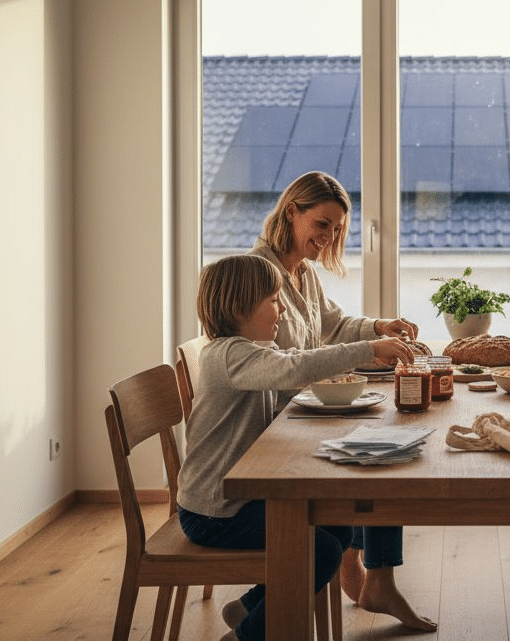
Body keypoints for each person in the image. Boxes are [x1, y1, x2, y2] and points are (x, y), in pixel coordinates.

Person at [175, 254, 416, 641]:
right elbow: (293, 368)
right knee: (319, 550)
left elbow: (291, 360)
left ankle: (251, 606)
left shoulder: (246, 351)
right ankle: (247, 635)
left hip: (233, 500)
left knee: (339, 525)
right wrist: (367, 348)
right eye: (273, 300)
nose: (283, 309)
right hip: (216, 512)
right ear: (239, 307)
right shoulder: (228, 355)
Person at [250, 170, 437, 632]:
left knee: (386, 443)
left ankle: (373, 576)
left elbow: (332, 324)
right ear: (291, 211)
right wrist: (369, 348)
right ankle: (364, 573)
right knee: (380, 454)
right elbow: (287, 361)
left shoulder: (303, 272)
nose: (329, 237)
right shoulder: (258, 274)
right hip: (276, 432)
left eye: (337, 229)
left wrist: (378, 327)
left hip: (305, 415)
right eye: (322, 224)